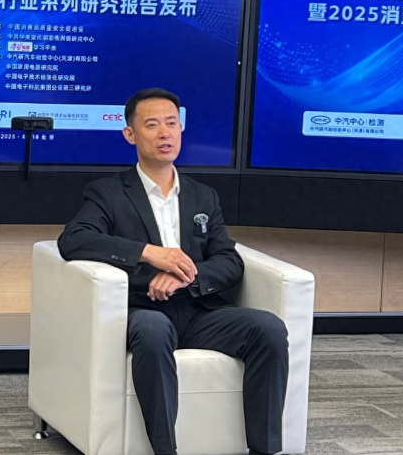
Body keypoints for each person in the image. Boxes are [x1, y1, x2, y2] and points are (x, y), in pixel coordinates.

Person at [58, 88, 288, 455]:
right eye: (152, 125)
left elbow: (229, 261)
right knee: (153, 329)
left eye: (171, 123)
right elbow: (74, 240)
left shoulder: (203, 196)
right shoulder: (108, 193)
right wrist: (150, 254)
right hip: (143, 309)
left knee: (268, 328)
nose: (165, 133)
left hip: (198, 310)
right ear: (130, 134)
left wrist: (186, 276)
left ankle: (266, 449)